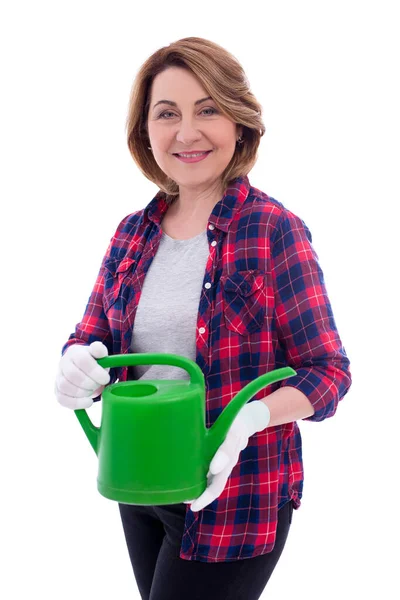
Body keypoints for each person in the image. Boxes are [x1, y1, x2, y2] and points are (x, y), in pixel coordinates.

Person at [55, 37, 352, 600]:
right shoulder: (131, 234)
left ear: (239, 123)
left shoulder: (272, 230)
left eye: (207, 109)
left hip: (236, 497)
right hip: (137, 484)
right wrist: (76, 363)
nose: (186, 133)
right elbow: (90, 337)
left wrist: (250, 419)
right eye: (167, 114)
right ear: (146, 130)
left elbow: (329, 371)